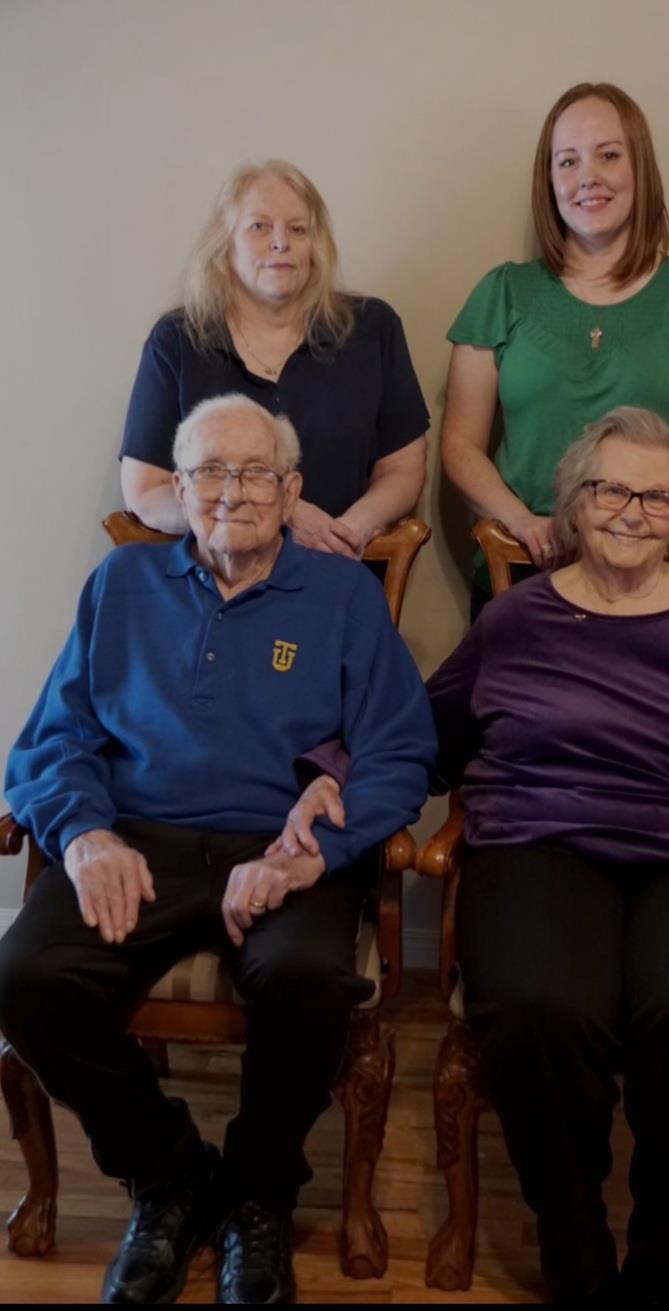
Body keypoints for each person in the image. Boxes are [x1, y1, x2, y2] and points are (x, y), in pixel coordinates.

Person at [282, 407, 669, 1304]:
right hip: (538, 839)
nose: (631, 509)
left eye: (657, 495)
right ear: (574, 502)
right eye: (611, 487)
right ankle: (573, 1247)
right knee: (541, 1006)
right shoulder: (519, 618)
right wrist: (332, 775)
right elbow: (420, 732)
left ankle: (665, 1257)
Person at [0, 395, 436, 1305]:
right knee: (24, 977)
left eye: (252, 474)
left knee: (309, 977)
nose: (228, 493)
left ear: (291, 490)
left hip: (279, 842)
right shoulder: (121, 585)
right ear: (179, 486)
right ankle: (169, 1177)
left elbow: (400, 747)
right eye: (207, 472)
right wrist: (83, 835)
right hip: (139, 839)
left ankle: (259, 1194)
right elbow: (51, 741)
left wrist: (317, 848)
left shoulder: (344, 596)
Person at [441, 82, 669, 615]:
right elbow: (460, 445)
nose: (588, 177)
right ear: (549, 180)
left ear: (641, 169)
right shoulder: (502, 292)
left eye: (609, 155)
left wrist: (635, 520)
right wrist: (522, 524)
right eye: (567, 161)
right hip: (521, 568)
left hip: (652, 574)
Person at [120, 159, 429, 555]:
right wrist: (282, 513)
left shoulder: (373, 329)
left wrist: (348, 531)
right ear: (224, 245)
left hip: (336, 572)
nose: (280, 242)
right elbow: (147, 492)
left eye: (297, 229)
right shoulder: (177, 341)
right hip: (208, 581)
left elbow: (402, 470)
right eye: (259, 227)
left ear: (316, 247)